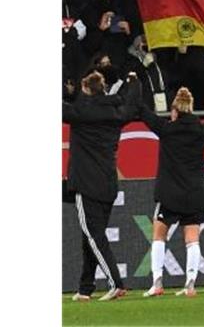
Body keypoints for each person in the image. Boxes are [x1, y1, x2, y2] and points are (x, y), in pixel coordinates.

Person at [139, 87, 204, 298]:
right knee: (192, 239)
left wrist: (134, 87)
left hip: (169, 194)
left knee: (159, 235)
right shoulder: (201, 132)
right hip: (194, 193)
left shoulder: (166, 129)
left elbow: (143, 113)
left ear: (174, 111)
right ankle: (190, 284)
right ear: (191, 109)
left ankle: (157, 282)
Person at [63, 70, 141, 301]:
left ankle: (116, 283)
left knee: (93, 235)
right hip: (108, 184)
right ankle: (85, 289)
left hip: (86, 184)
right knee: (91, 236)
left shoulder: (81, 112)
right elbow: (133, 104)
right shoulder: (117, 112)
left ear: (86, 89)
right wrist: (134, 82)